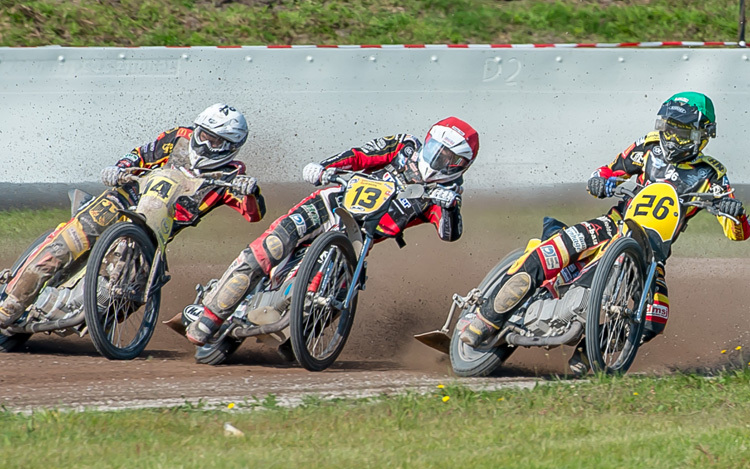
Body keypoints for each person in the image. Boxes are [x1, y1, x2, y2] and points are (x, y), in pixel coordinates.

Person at [457, 91, 749, 376]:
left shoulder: (711, 174)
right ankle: (486, 319)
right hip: (612, 224)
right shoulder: (646, 147)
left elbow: (738, 234)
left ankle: (589, 348)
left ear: (703, 135)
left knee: (653, 320)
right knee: (553, 250)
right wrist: (601, 182)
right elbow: (606, 172)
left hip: (653, 253)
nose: (673, 139)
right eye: (669, 130)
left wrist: (734, 211)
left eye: (683, 133)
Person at [184, 116, 480, 348]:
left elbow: (449, 234)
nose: (439, 160)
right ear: (428, 141)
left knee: (337, 290)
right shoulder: (405, 146)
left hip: (360, 238)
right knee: (273, 245)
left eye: (449, 158)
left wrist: (451, 206)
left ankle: (298, 334)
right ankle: (209, 316)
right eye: (436, 150)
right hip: (330, 203)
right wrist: (324, 167)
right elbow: (361, 155)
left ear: (461, 165)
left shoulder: (447, 191)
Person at [0, 103, 266, 329]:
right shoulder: (178, 137)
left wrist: (251, 191)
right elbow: (141, 154)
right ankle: (11, 302)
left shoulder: (233, 176)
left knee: (128, 294)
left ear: (231, 146)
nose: (205, 143)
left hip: (155, 235)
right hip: (124, 199)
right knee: (66, 241)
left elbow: (254, 214)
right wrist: (118, 168)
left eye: (215, 140)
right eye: (203, 135)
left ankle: (84, 318)